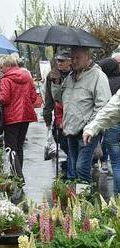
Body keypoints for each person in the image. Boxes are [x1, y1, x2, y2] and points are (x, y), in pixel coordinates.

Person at [52, 47, 111, 183]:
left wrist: (91, 126)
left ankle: (87, 200)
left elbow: (103, 105)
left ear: (88, 57)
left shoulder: (97, 76)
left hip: (87, 131)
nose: (74, 61)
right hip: (71, 128)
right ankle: (78, 199)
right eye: (72, 58)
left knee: (81, 167)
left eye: (78, 57)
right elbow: (60, 99)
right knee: (74, 168)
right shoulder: (70, 77)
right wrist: (56, 83)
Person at [0, 54, 37, 180]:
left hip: (12, 117)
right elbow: (34, 98)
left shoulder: (6, 79)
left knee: (10, 147)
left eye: (2, 67)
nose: (1, 70)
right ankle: (17, 175)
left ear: (8, 66)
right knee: (19, 147)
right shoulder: (28, 77)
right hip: (26, 115)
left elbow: (4, 99)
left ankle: (18, 177)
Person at [83, 57, 120, 193]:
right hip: (111, 123)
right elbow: (112, 107)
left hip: (113, 127)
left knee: (116, 164)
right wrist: (92, 127)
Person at [42, 51, 73, 179]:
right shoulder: (52, 75)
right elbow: (49, 98)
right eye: (58, 60)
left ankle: (70, 170)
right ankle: (69, 167)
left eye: (62, 60)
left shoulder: (74, 74)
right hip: (59, 118)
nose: (59, 63)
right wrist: (47, 116)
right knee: (63, 144)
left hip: (73, 115)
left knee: (73, 148)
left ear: (69, 61)